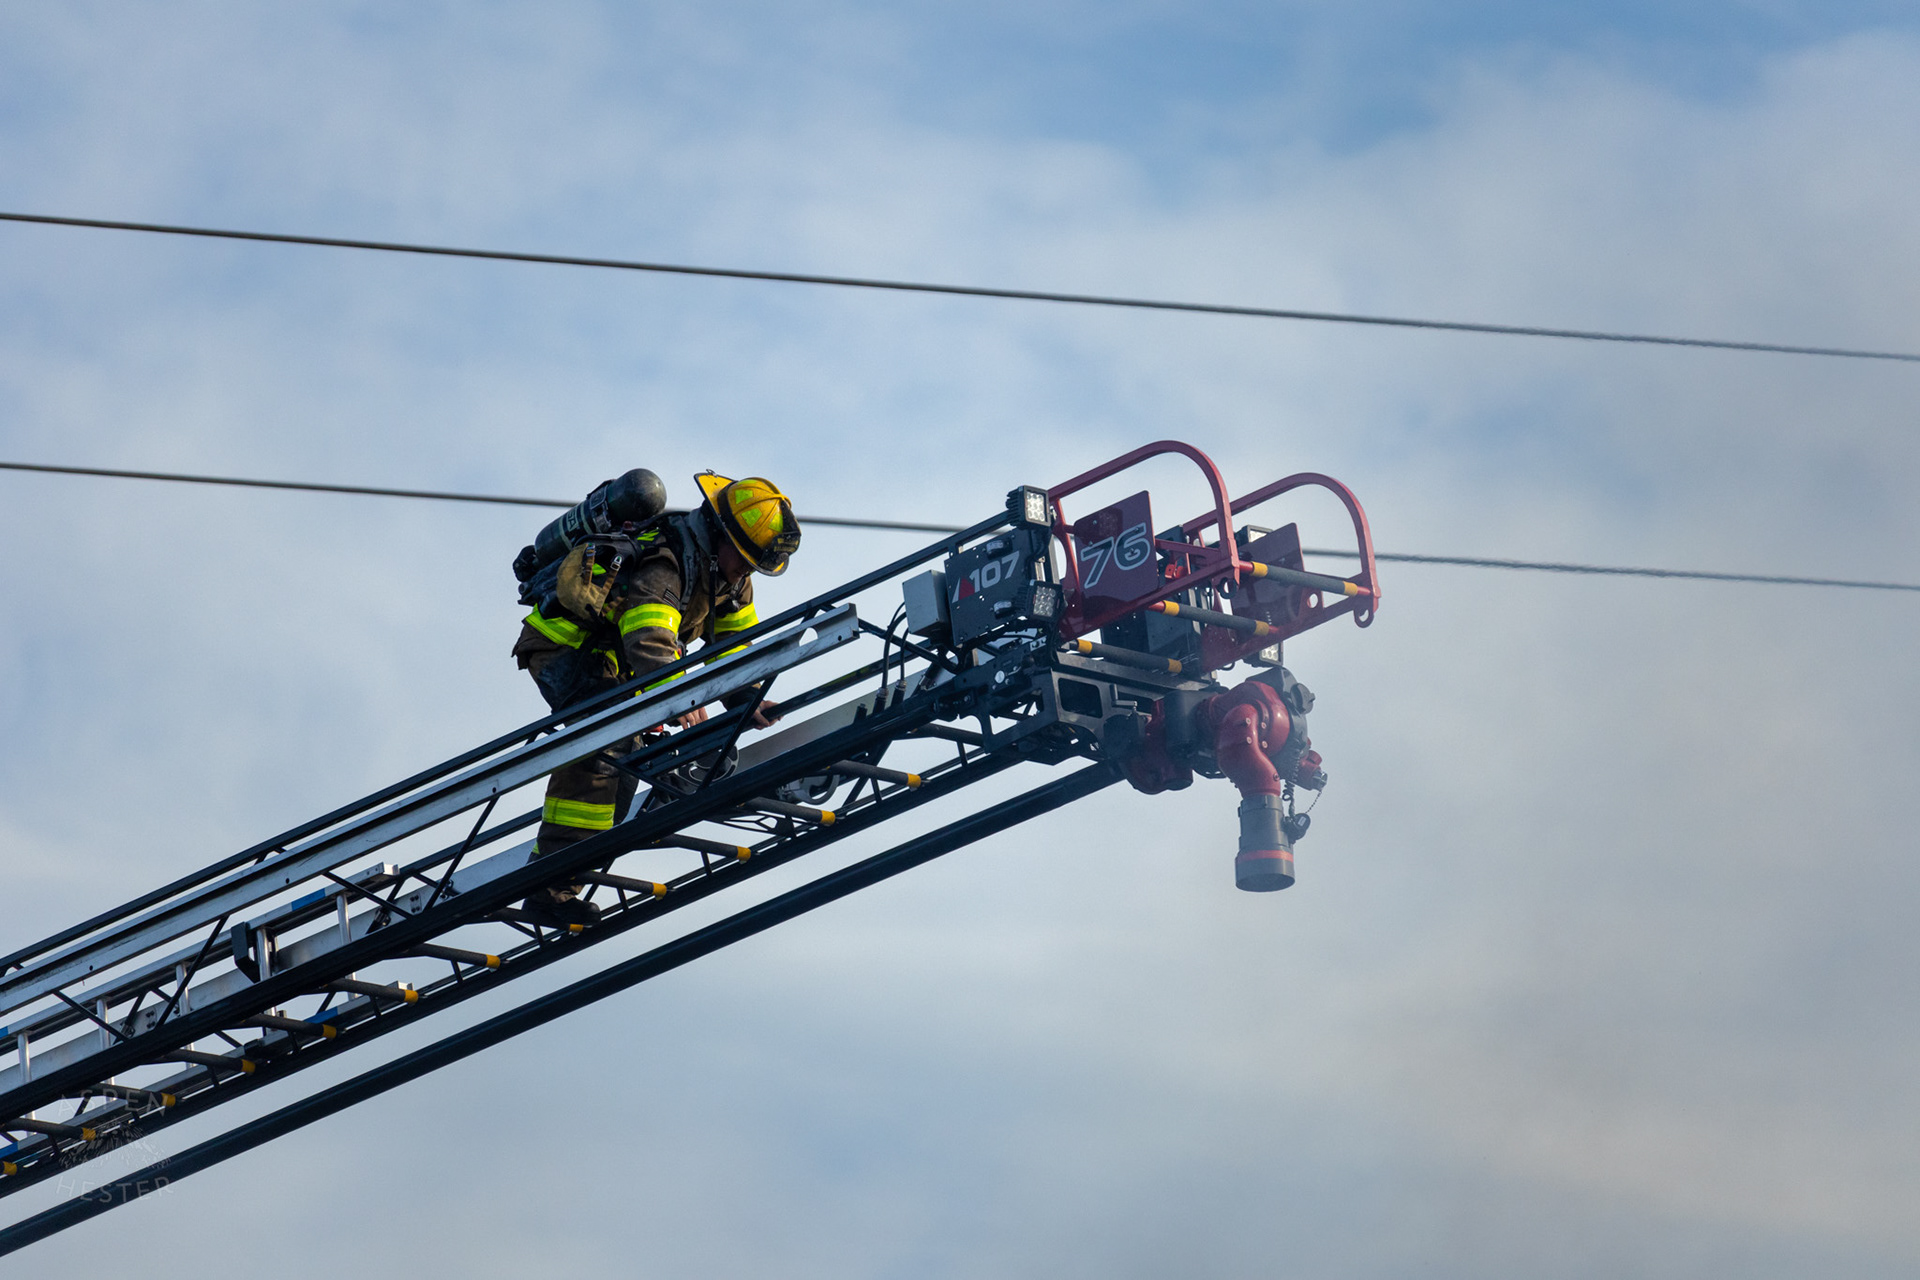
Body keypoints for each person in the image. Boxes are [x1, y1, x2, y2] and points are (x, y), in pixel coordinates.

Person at [510, 471, 802, 925]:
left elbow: (735, 650)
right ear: (720, 536)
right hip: (564, 649)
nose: (745, 572)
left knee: (624, 765)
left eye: (752, 565)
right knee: (606, 751)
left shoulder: (731, 579)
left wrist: (748, 697)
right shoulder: (667, 562)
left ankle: (562, 881)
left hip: (618, 664)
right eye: (743, 560)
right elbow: (648, 642)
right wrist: (683, 699)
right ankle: (547, 888)